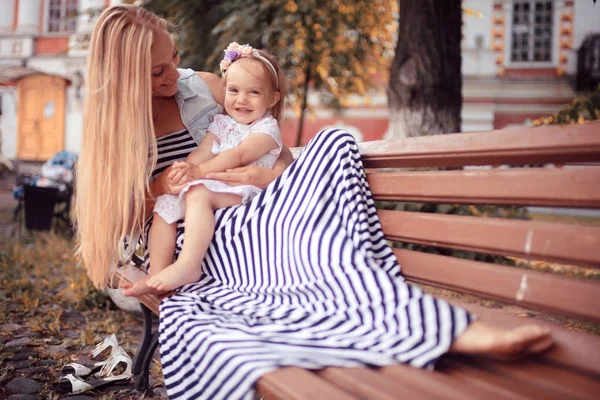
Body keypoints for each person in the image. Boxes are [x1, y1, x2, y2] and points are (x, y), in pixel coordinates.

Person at [73, 5, 553, 400]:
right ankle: (445, 334)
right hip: (190, 240)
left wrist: (265, 175)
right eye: (158, 70)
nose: (174, 74)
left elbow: (274, 153)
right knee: (302, 258)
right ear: (123, 78)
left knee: (330, 158)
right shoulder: (114, 134)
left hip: (246, 211)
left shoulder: (204, 87)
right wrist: (166, 189)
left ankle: (449, 329)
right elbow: (114, 223)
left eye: (174, 58)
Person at [125, 43, 286, 295]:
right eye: (233, 90)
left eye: (253, 92)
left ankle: (189, 265)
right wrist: (186, 167)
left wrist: (199, 173)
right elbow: (204, 150)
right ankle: (157, 272)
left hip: (247, 193)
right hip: (217, 188)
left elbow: (240, 154)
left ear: (272, 98)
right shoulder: (222, 123)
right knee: (166, 202)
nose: (241, 99)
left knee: (198, 192)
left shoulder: (266, 128)